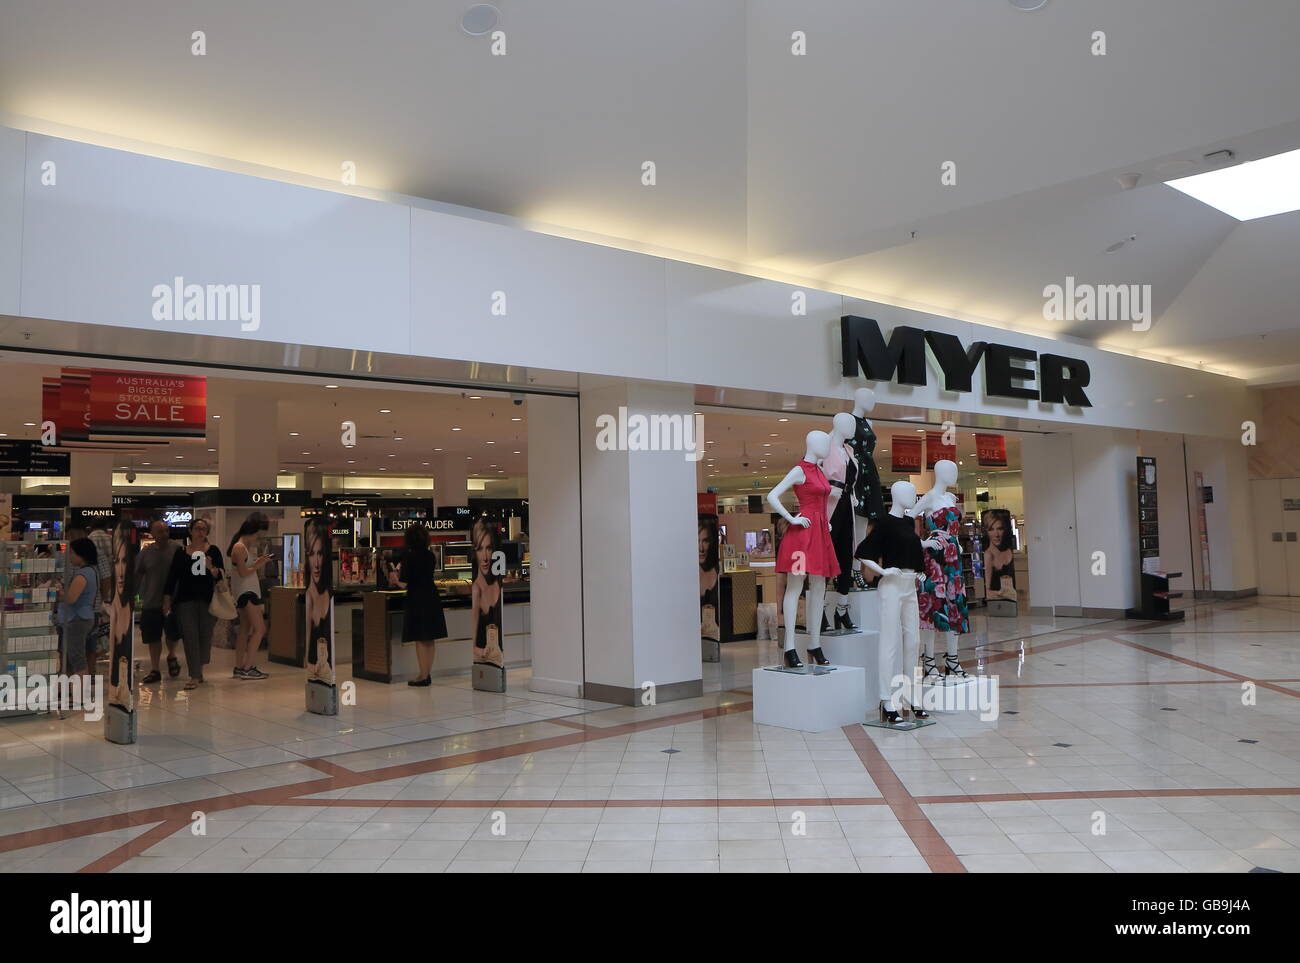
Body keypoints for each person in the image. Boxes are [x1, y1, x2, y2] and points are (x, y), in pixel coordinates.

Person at [164, 517, 224, 691]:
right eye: (197, 528)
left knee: (205, 635)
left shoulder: (213, 551)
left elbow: (220, 575)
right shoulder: (181, 552)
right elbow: (172, 577)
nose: (200, 532)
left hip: (207, 599)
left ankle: (199, 668)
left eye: (203, 529)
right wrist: (167, 599)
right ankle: (194, 675)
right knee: (190, 636)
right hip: (185, 600)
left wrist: (211, 568)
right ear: (190, 531)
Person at [388, 524, 447, 687]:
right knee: (430, 637)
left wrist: (394, 580)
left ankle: (422, 675)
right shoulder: (430, 555)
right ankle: (427, 673)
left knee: (420, 638)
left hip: (417, 599)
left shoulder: (409, 557)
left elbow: (405, 583)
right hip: (432, 597)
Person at [136, 518, 182, 684]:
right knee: (152, 636)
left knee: (173, 633)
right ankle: (155, 669)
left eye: (166, 531)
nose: (164, 534)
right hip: (151, 601)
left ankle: (172, 654)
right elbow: (138, 575)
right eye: (160, 531)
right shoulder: (145, 553)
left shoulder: (177, 550)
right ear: (152, 534)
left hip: (174, 601)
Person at [227, 518, 274, 679]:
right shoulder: (239, 548)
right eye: (257, 536)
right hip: (246, 593)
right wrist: (258, 566)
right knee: (260, 629)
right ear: (250, 533)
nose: (257, 539)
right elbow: (243, 572)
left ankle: (240, 666)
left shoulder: (241, 548)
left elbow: (244, 570)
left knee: (244, 629)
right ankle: (248, 667)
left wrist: (258, 562)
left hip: (244, 592)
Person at [56, 538, 98, 682]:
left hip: (76, 619)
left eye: (72, 553)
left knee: (77, 657)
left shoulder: (83, 574)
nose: (70, 557)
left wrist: (58, 592)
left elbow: (71, 598)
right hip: (80, 617)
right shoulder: (91, 571)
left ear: (81, 554)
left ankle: (81, 693)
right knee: (69, 657)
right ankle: (69, 691)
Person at [303, 517, 334, 685]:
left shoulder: (329, 593)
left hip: (327, 672)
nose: (316, 563)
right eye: (312, 554)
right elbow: (308, 641)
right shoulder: (309, 596)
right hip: (314, 673)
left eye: (320, 554)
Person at [470, 519, 503, 667]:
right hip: (488, 663)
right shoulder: (476, 589)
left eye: (488, 548)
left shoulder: (499, 582)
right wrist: (481, 652)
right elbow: (473, 644)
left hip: (499, 661)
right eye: (480, 549)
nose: (485, 557)